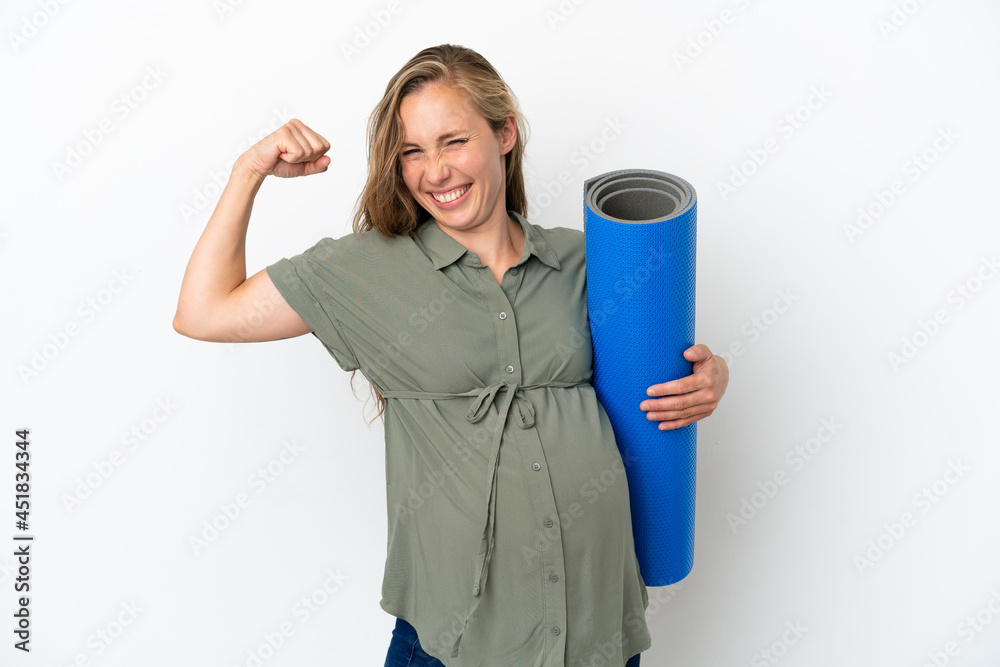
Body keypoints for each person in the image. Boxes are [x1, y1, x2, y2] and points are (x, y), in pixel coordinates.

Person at [173, 44, 728, 667]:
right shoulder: (367, 270)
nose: (434, 171)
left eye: (452, 141)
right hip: (453, 646)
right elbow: (204, 312)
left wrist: (710, 378)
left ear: (505, 133)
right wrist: (249, 171)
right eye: (412, 151)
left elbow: (655, 377)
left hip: (594, 636)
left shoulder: (590, 260)